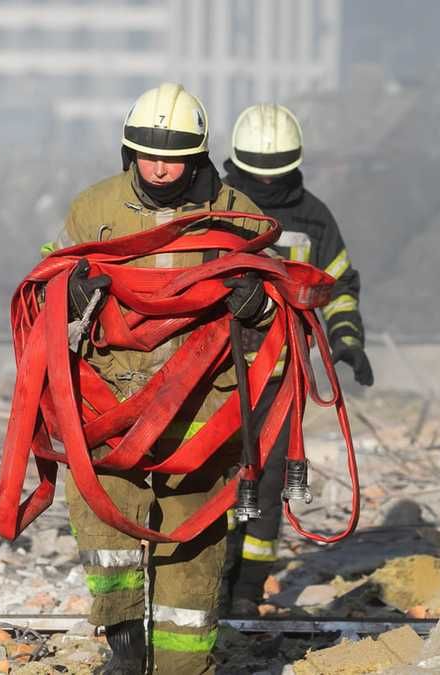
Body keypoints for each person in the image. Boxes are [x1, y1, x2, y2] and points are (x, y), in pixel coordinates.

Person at [48, 82, 272, 675]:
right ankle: (123, 644)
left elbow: (279, 315)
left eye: (173, 156)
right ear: (128, 152)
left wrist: (258, 304)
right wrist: (69, 292)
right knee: (102, 516)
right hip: (112, 399)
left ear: (198, 155)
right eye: (148, 154)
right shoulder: (93, 209)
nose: (160, 167)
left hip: (199, 408)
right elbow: (50, 284)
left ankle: (182, 667)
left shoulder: (238, 214)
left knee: (192, 543)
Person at [220, 103, 373, 616]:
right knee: (217, 475)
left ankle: (245, 589)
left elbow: (340, 285)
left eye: (275, 175)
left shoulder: (312, 217)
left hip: (282, 375)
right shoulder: (216, 209)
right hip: (215, 373)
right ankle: (209, 579)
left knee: (266, 480)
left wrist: (347, 339)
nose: (265, 186)